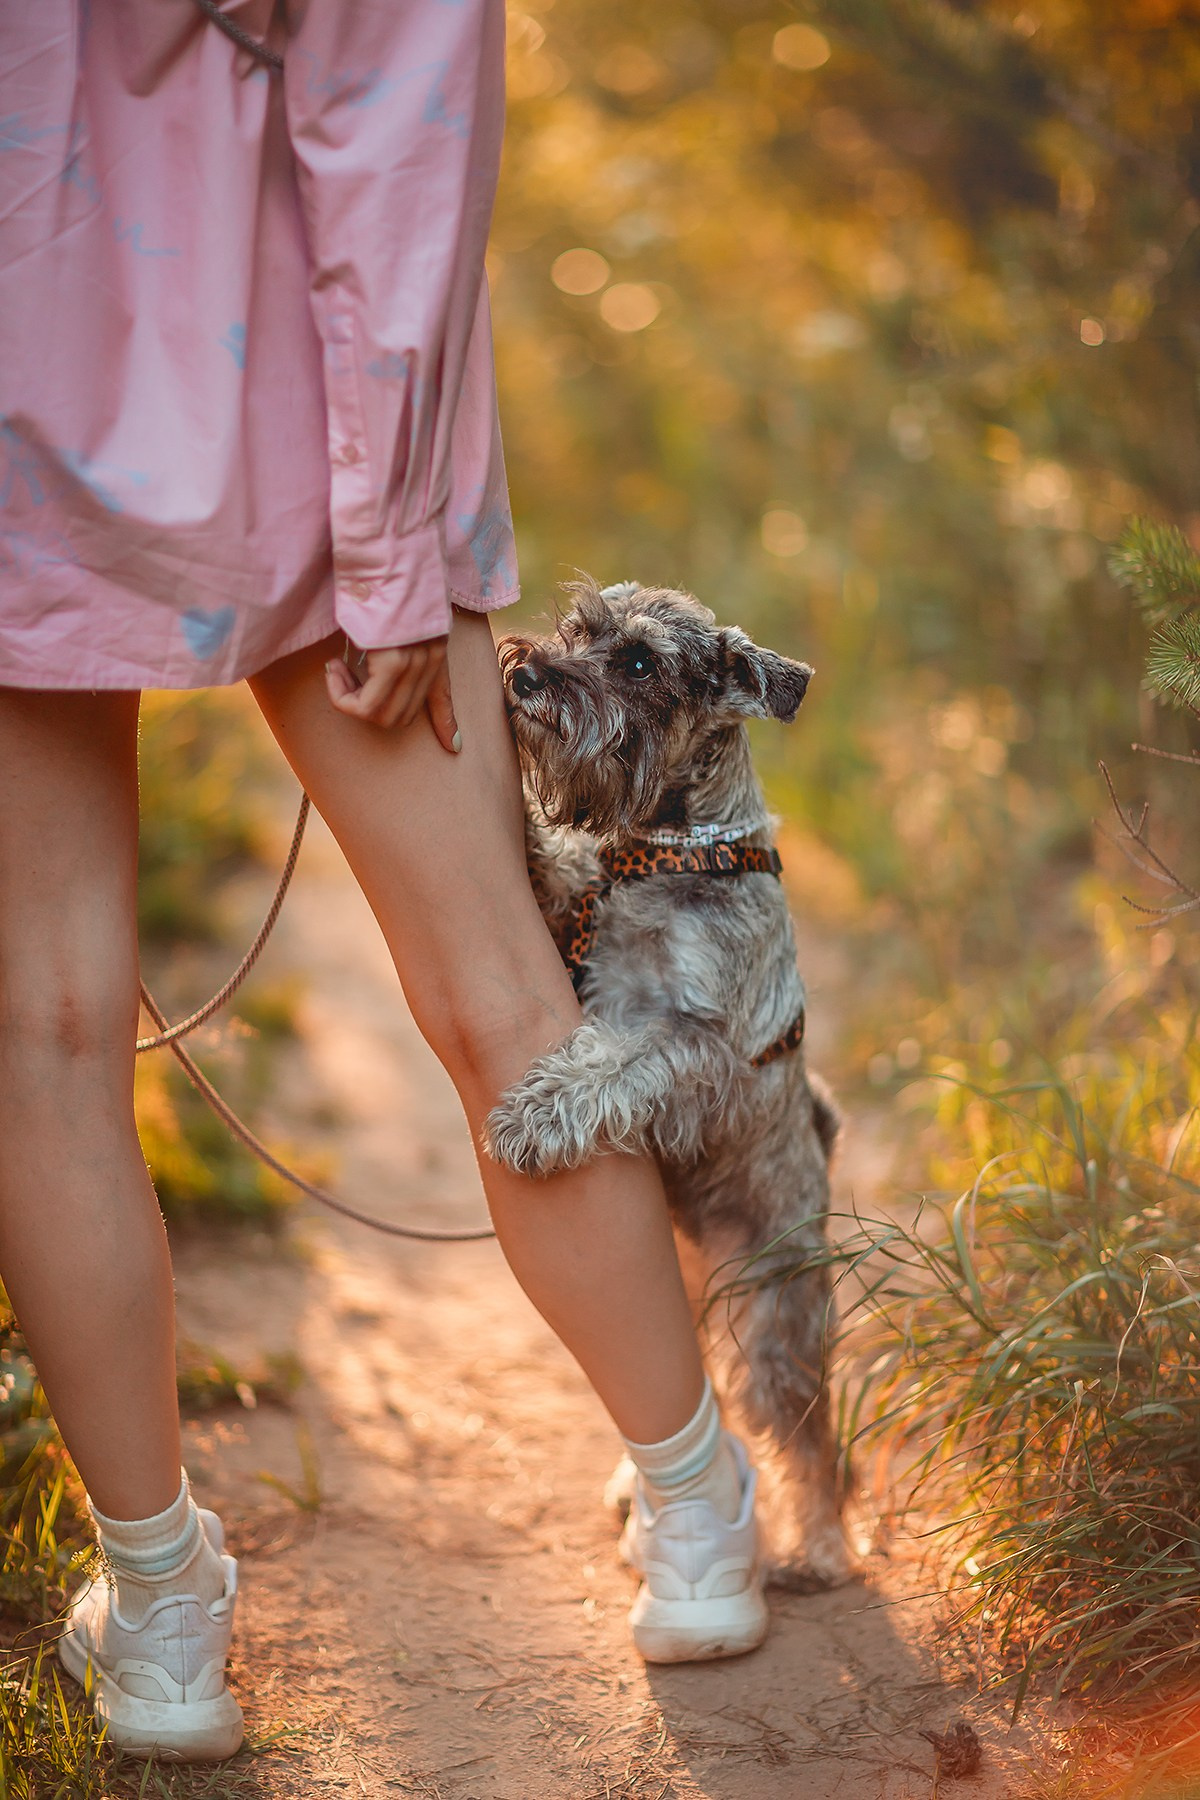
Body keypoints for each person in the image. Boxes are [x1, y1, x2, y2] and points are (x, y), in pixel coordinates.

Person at [0, 0, 767, 1764]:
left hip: (26, 446)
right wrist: (396, 539)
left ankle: (164, 1626)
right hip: (299, 443)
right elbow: (394, 121)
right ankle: (697, 1513)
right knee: (503, 994)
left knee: (43, 1026)